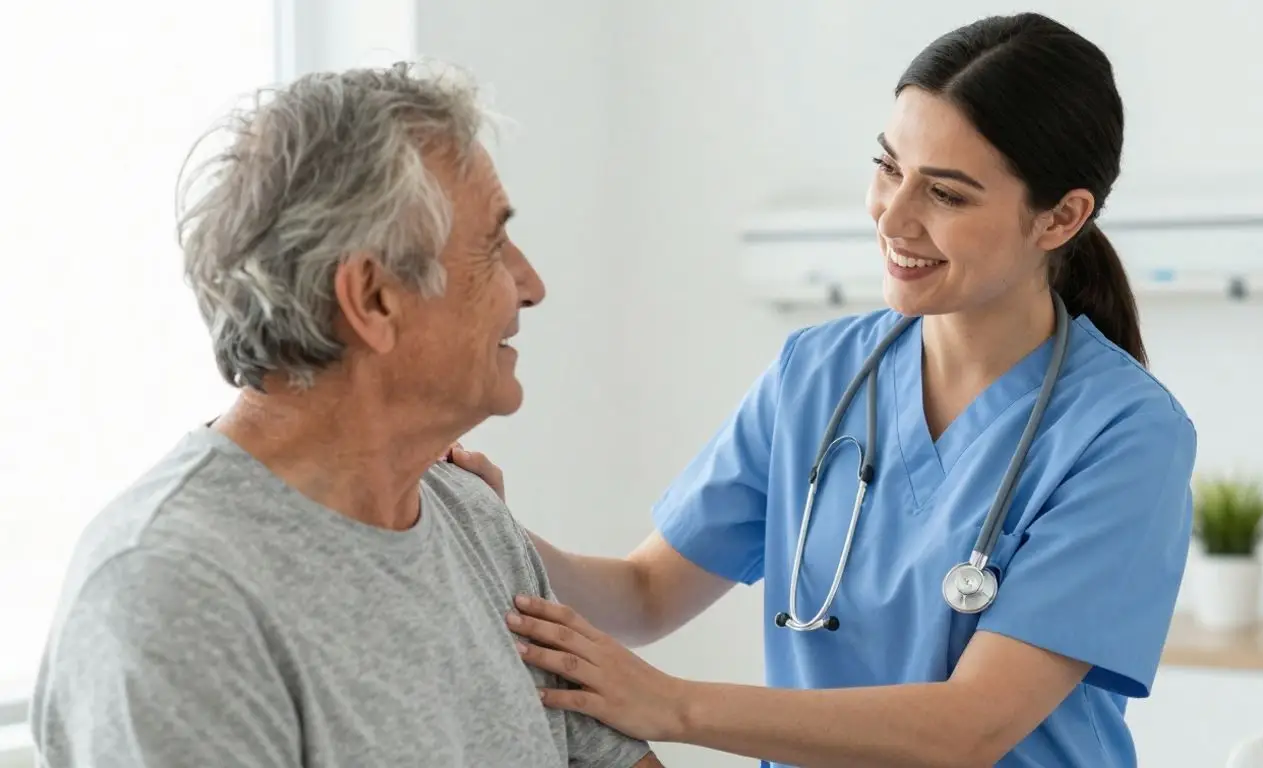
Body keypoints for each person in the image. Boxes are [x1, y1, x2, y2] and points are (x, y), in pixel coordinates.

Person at [454, 12, 1198, 768]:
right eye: (888, 167)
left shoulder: (1125, 435)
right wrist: (490, 528)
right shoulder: (816, 376)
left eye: (945, 193)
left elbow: (968, 728)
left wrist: (671, 704)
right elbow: (646, 596)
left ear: (1060, 217)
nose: (893, 216)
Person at [29, 62, 661, 768]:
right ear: (373, 300)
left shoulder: (476, 524)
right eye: (493, 246)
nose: (531, 286)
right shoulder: (169, 592)